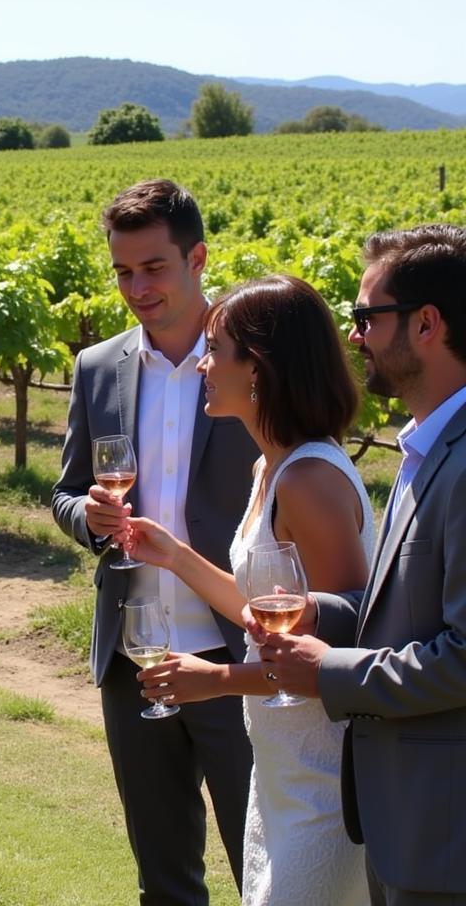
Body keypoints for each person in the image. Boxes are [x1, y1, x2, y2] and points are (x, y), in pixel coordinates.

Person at [124, 274, 372, 905]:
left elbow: (348, 652)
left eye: (216, 348)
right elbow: (266, 618)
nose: (203, 363)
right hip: (282, 767)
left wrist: (217, 681)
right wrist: (175, 556)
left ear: (257, 368)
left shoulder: (309, 481)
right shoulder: (271, 467)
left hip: (326, 779)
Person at [51, 178, 259, 905]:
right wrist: (89, 519)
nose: (136, 287)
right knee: (164, 878)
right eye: (122, 271)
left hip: (239, 655)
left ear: (198, 258)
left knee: (267, 873)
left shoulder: (250, 361)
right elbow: (66, 490)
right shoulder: (97, 366)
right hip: (135, 656)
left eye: (154, 267)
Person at [256, 225, 466, 906]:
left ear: (427, 324)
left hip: (444, 837)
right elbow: (410, 609)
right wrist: (326, 613)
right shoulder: (428, 449)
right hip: (407, 824)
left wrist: (328, 671)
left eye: (366, 317)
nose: (353, 337)